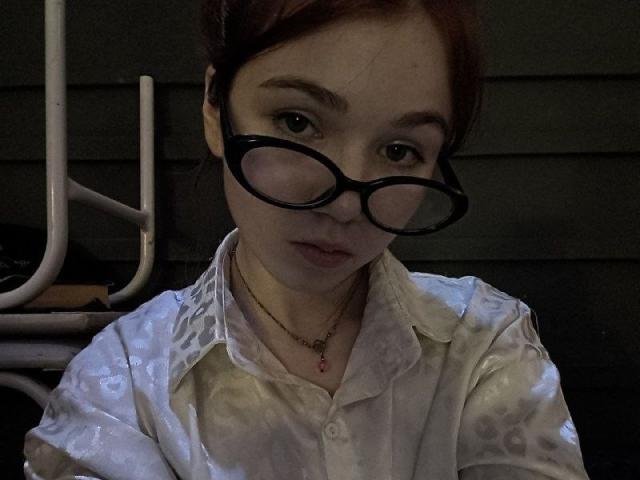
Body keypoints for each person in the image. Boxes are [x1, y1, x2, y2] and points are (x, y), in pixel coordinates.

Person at [24, 1, 590, 479]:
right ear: (216, 108)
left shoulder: (484, 349)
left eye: (399, 151)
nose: (345, 205)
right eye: (297, 122)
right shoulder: (121, 387)